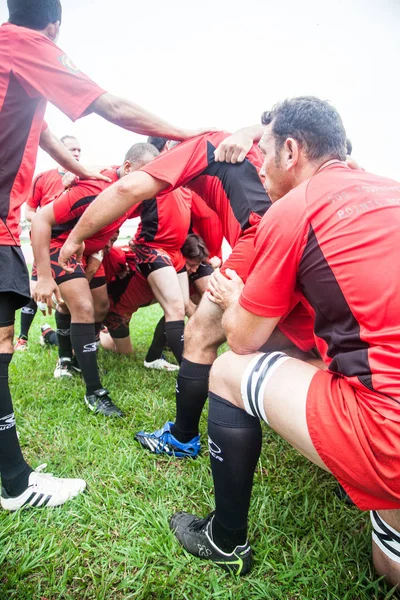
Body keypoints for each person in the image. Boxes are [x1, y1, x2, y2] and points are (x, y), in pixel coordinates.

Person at [167, 97, 400, 589]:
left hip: (390, 431)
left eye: (264, 154)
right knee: (388, 568)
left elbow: (245, 337)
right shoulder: (389, 189)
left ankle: (226, 540)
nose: (261, 172)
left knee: (229, 370)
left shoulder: (293, 207)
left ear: (290, 151)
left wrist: (233, 299)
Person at [0, 0, 207, 510]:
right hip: (43, 239)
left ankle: (16, 468)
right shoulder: (30, 46)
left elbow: (43, 136)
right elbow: (109, 106)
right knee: (49, 323)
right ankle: (25, 469)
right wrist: (196, 139)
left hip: (67, 246)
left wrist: (77, 165)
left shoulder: (13, 64)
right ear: (53, 25)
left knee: (65, 320)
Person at [57, 131, 286, 459]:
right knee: (172, 316)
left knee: (198, 328)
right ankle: (68, 343)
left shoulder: (204, 151)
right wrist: (74, 173)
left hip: (255, 238)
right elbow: (121, 179)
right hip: (163, 253)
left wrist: (76, 237)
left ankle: (182, 435)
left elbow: (130, 184)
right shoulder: (244, 146)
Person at [15, 135, 82, 352]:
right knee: (37, 290)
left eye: (79, 150)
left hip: (72, 246)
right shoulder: (43, 178)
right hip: (46, 243)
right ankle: (23, 338)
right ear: (59, 151)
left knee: (69, 298)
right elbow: (29, 212)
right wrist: (45, 223)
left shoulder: (84, 179)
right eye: (72, 149)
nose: (77, 154)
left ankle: (65, 341)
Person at [102, 234, 210, 362]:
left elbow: (188, 306)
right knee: (125, 353)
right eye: (191, 265)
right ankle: (98, 334)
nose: (194, 270)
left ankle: (163, 345)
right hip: (118, 310)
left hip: (142, 300)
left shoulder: (182, 273)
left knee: (178, 305)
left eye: (197, 265)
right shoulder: (134, 257)